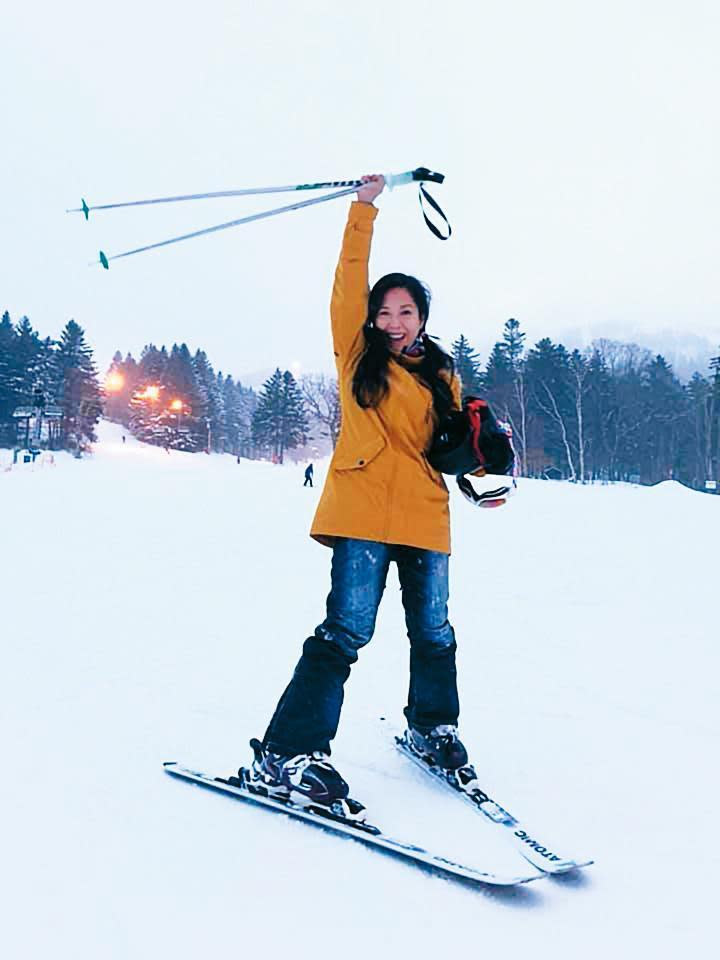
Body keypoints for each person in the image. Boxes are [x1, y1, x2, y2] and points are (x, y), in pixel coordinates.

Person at [248, 174, 472, 818]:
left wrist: (479, 471)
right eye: (385, 310)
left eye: (407, 311)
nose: (394, 321)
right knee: (346, 629)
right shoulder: (357, 355)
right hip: (364, 509)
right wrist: (363, 209)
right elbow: (349, 277)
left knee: (435, 632)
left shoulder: (442, 373)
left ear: (423, 318)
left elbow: (450, 448)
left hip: (427, 514)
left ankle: (432, 728)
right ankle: (290, 750)